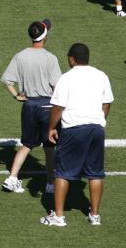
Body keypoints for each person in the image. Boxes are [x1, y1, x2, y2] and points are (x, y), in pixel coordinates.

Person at [42, 42, 113, 227]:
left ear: (71, 59)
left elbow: (58, 107)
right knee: (95, 173)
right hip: (96, 128)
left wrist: (51, 127)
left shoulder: (66, 78)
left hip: (74, 128)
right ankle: (95, 215)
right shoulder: (101, 76)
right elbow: (106, 104)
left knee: (62, 173)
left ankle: (58, 216)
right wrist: (100, 119)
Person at [0, 19, 61, 196]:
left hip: (29, 105)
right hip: (47, 106)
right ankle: (50, 184)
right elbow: (56, 85)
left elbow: (7, 80)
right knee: (49, 148)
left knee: (26, 145)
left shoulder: (20, 56)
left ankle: (12, 178)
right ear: (45, 36)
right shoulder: (50, 58)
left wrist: (16, 95)